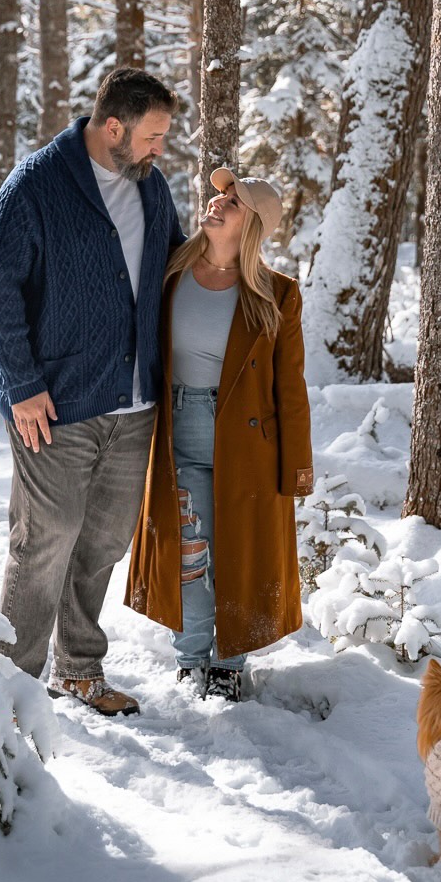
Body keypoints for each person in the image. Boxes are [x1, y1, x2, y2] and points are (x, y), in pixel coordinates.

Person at [0, 67, 185, 716]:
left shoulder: (152, 190)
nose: (160, 150)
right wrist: (23, 384)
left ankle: (80, 670)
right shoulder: (37, 186)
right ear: (114, 127)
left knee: (101, 544)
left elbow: (174, 266)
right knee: (45, 542)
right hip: (56, 406)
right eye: (153, 136)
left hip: (134, 406)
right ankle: (8, 701)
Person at [126, 167, 313, 702]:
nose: (216, 202)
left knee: (236, 552)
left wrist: (297, 468)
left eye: (232, 201)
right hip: (176, 428)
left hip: (246, 444)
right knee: (187, 549)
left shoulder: (277, 295)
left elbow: (290, 388)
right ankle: (190, 659)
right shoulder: (168, 271)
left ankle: (230, 663)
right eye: (218, 194)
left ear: (251, 224)